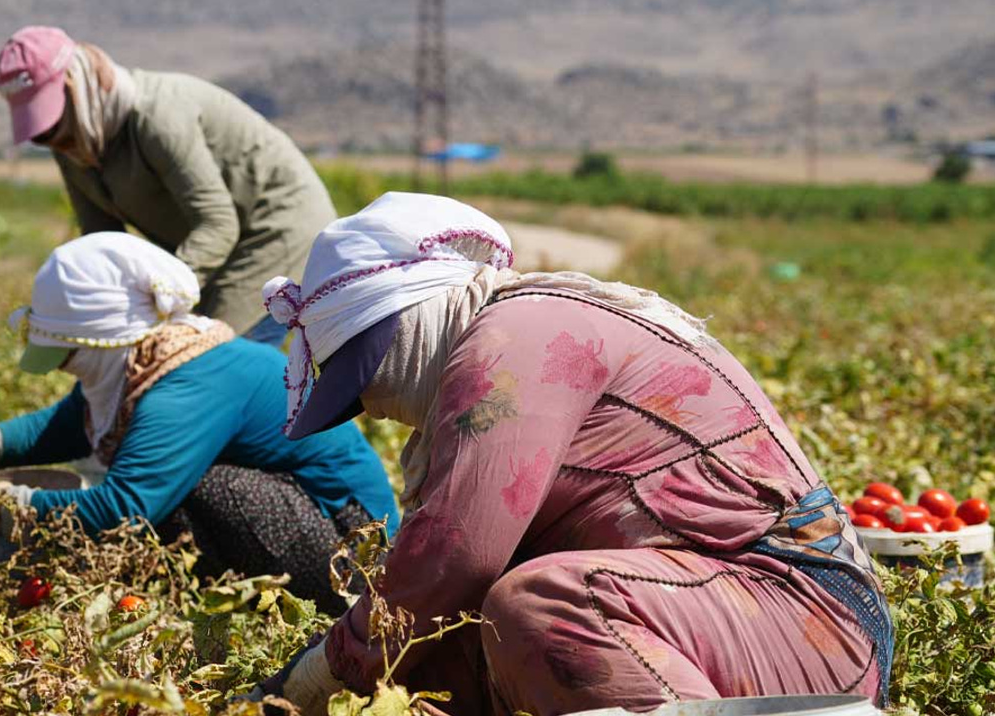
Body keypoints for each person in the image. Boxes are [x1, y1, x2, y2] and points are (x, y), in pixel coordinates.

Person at [252, 193, 891, 713]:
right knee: (431, 664)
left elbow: (455, 551)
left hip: (804, 620)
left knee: (545, 606)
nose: (374, 402)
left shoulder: (520, 335)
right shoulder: (502, 336)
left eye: (366, 372)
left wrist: (317, 674)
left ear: (412, 316)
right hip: (705, 613)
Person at [0, 232, 398, 614]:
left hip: (353, 560)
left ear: (108, 341)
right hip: (313, 527)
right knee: (170, 486)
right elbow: (69, 422)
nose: (63, 369)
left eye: (69, 356)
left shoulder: (188, 386)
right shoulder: (153, 361)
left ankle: (260, 606)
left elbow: (124, 509)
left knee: (193, 490)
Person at [0, 25, 337, 345]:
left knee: (207, 362)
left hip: (277, 233)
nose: (49, 136)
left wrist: (157, 294)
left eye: (52, 119)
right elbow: (103, 243)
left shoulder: (156, 118)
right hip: (216, 251)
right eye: (41, 129)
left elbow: (218, 224)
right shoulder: (72, 142)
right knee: (164, 358)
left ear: (74, 84)